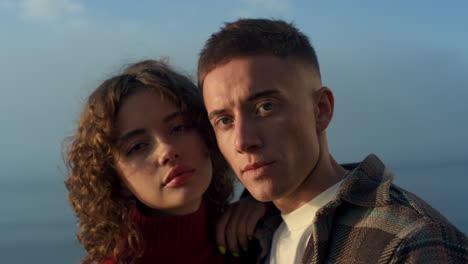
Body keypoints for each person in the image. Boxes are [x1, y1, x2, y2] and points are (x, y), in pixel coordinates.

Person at [198, 18, 468, 263]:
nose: (243, 141)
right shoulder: (254, 237)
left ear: (321, 110)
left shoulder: (412, 242)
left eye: (266, 107)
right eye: (225, 121)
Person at [64, 59, 266, 264]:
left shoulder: (254, 236)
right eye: (138, 147)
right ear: (116, 180)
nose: (167, 151)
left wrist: (272, 207)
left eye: (179, 128)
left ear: (207, 134)